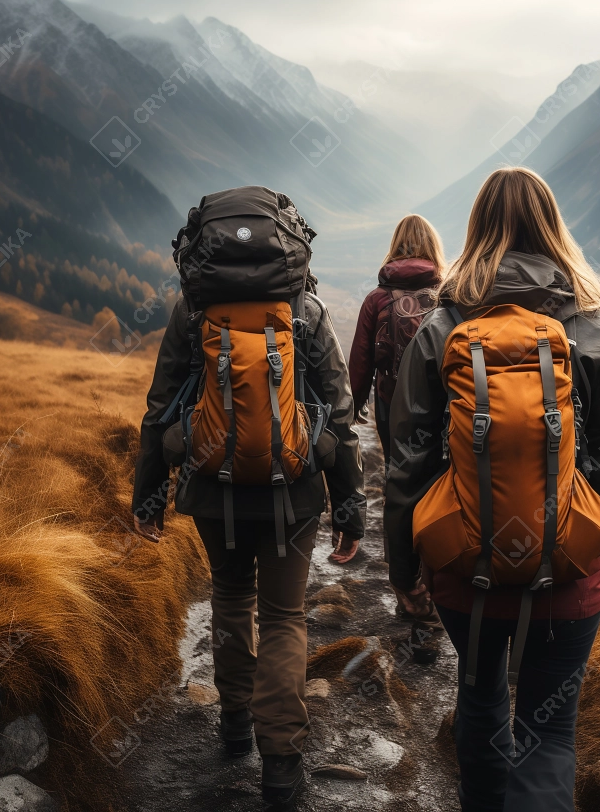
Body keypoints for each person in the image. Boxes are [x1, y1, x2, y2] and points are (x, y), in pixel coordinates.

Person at [384, 168, 600, 812]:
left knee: (480, 699)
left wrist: (405, 567)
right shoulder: (593, 325)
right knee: (549, 730)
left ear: (476, 228)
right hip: (569, 565)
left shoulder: (442, 325)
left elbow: (407, 459)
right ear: (554, 228)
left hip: (467, 569)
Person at [131, 186, 366, 809]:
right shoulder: (306, 310)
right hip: (294, 493)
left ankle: (234, 728)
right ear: (288, 244)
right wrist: (349, 508)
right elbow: (339, 416)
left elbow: (161, 409)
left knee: (231, 596)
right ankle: (281, 766)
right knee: (286, 616)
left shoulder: (192, 311)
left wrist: (149, 497)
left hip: (211, 488)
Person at [348, 214, 446, 452]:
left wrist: (353, 408)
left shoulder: (377, 298)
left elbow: (361, 362)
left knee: (396, 467)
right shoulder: (449, 292)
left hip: (391, 403)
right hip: (443, 401)